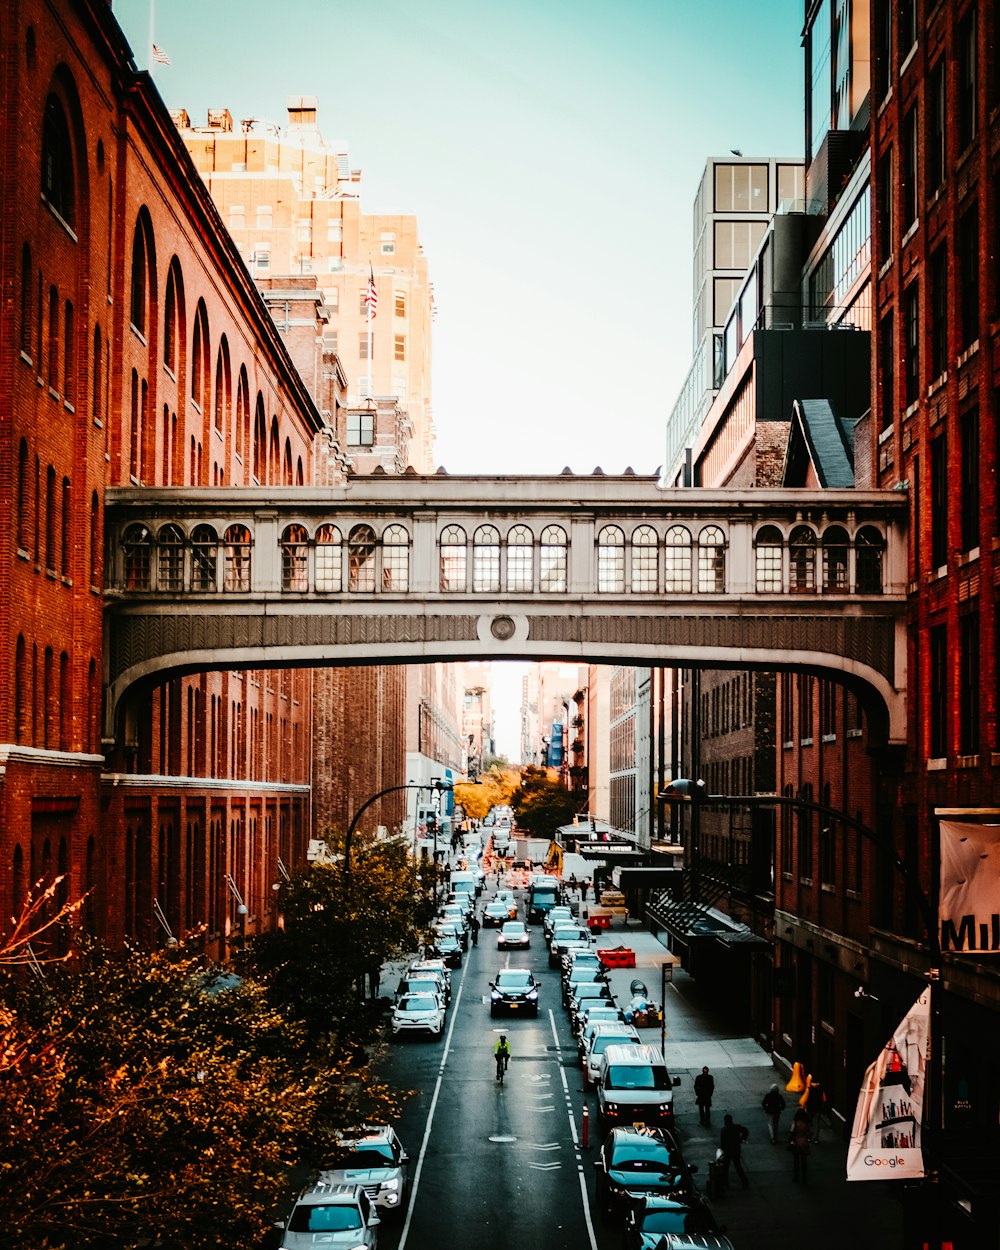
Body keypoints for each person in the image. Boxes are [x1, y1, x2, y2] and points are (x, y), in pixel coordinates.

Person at [719, 1114, 750, 1189]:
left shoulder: (724, 1130)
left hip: (727, 1151)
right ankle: (745, 1182)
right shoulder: (736, 1127)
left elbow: (723, 1143)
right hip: (736, 1150)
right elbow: (746, 1130)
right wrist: (742, 1139)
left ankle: (725, 1183)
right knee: (738, 1167)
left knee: (725, 1168)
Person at [790, 1108, 810, 1183]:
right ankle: (804, 1177)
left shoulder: (795, 1122)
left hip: (797, 1141)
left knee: (796, 1160)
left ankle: (796, 1176)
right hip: (804, 1142)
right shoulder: (806, 1123)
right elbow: (810, 1132)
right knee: (804, 1161)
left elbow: (792, 1131)